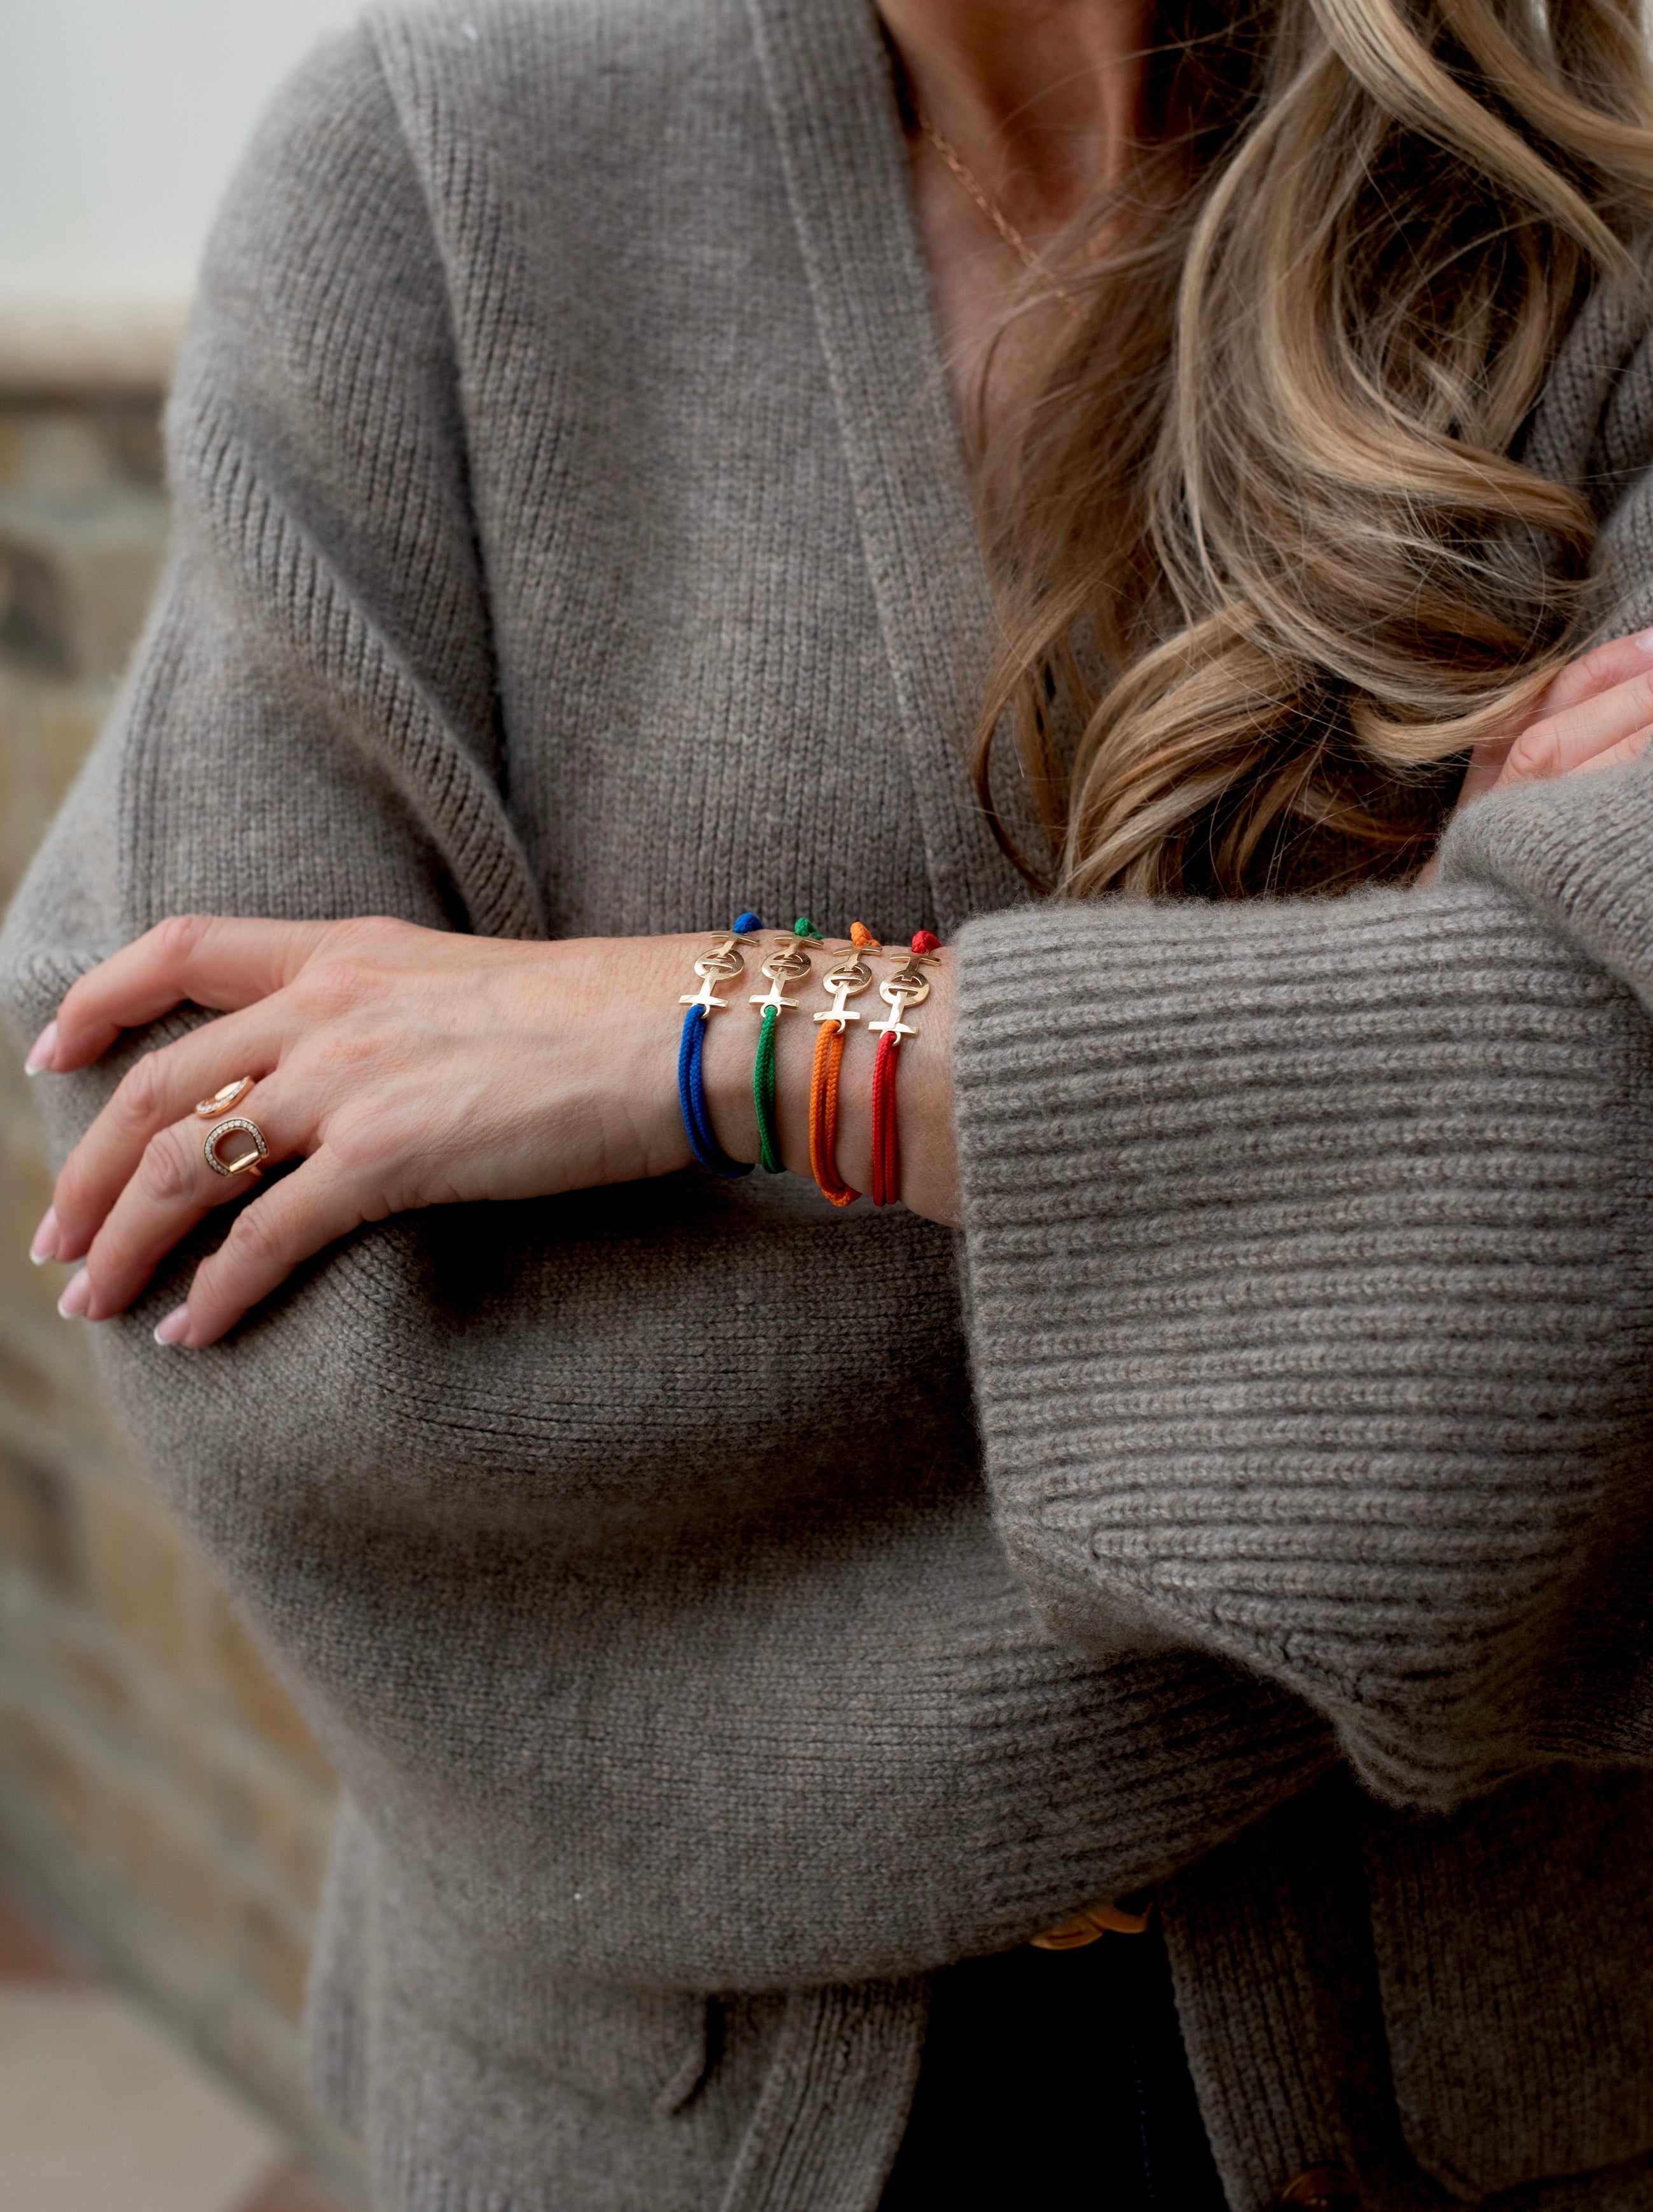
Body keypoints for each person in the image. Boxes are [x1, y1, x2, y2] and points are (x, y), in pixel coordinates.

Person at [4, 0, 1653, 2203]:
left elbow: (1619, 1209)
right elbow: (264, 1285)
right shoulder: (431, 178)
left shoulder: (1594, 218)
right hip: (653, 2130)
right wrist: (1380, 1199)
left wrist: (724, 1038)